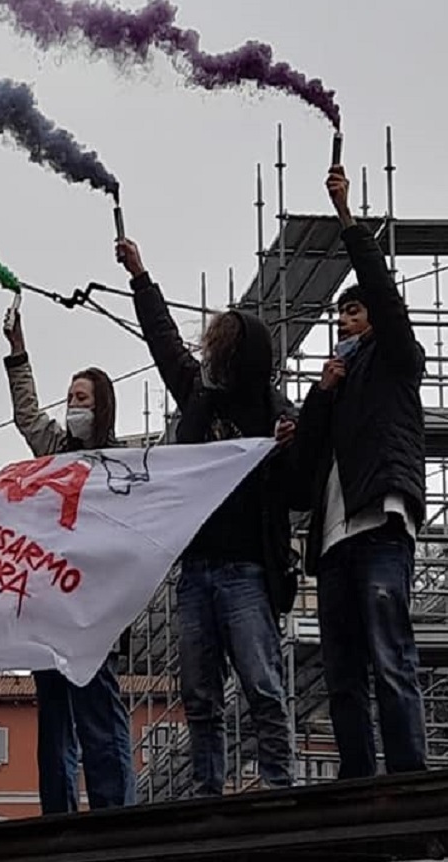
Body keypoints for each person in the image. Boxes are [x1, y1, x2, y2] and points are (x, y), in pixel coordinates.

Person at [117, 236, 298, 796]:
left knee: (262, 682)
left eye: (220, 348)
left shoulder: (273, 409)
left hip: (246, 569)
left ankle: (277, 780)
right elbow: (164, 343)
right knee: (198, 693)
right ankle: (206, 789)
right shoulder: (199, 394)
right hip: (195, 568)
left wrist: (293, 442)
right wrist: (141, 278)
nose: (209, 356)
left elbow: (300, 480)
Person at [290, 164, 427, 779]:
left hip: (380, 525)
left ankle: (406, 780)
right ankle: (356, 782)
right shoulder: (337, 383)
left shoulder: (398, 358)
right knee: (342, 669)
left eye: (354, 313)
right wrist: (320, 396)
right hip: (334, 542)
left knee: (389, 656)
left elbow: (385, 293)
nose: (344, 322)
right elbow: (303, 472)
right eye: (340, 316)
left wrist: (347, 220)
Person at [1, 306, 135, 813]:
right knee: (53, 718)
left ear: (101, 407)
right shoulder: (54, 450)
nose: (72, 405)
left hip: (94, 611)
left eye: (81, 398)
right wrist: (18, 352)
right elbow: (28, 417)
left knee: (98, 716)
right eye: (69, 397)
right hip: (50, 606)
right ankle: (57, 817)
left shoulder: (119, 464)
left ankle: (112, 815)